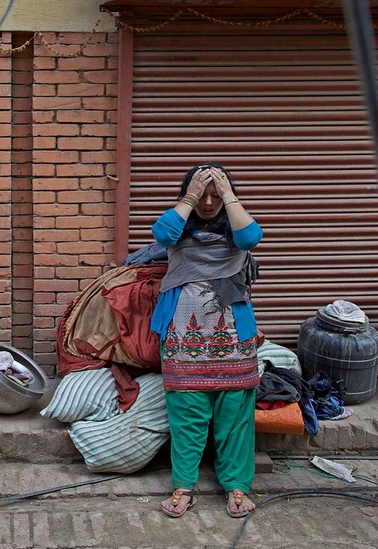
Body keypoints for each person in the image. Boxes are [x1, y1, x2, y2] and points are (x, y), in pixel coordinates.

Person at [150, 162, 263, 519]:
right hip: (184, 339)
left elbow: (250, 239)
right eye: (205, 194)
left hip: (234, 338)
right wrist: (190, 196)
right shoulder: (179, 225)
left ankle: (238, 487)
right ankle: (183, 486)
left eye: (216, 195)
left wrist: (229, 194)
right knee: (187, 415)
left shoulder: (236, 224)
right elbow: (162, 235)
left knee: (235, 417)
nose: (210, 203)